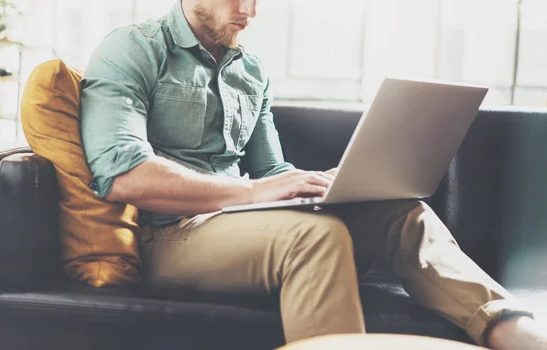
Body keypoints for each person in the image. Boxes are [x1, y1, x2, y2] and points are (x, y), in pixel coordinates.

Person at [79, 0, 547, 348]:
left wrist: (326, 186)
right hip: (168, 235)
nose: (250, 11)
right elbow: (124, 174)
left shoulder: (251, 70)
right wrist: (255, 190)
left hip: (239, 225)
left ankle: (515, 331)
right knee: (314, 237)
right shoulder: (134, 49)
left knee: (403, 213)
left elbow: (269, 170)